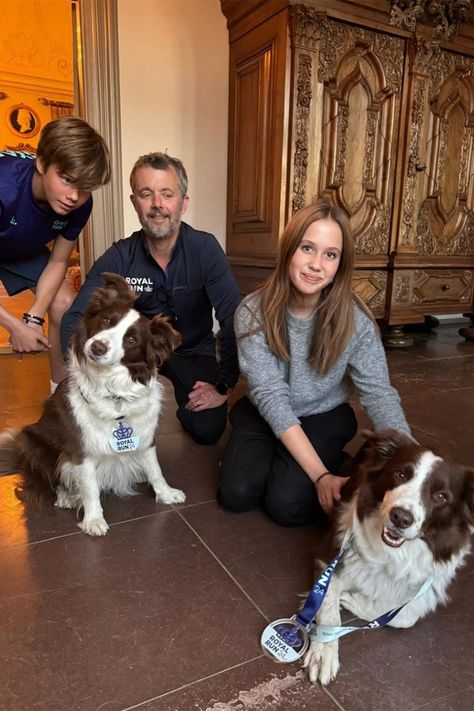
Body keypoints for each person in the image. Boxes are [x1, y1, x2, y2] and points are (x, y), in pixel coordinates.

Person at [218, 199, 411, 527]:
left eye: (330, 254)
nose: (316, 264)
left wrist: (412, 467)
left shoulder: (357, 323)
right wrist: (319, 475)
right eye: (307, 248)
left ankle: (327, 458)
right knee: (237, 493)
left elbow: (379, 394)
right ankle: (292, 457)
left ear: (340, 264)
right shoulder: (251, 312)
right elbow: (271, 398)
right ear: (290, 249)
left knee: (286, 505)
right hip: (266, 411)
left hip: (323, 413)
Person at [61, 151, 241, 445]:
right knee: (106, 431)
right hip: (136, 352)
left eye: (167, 194)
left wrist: (224, 385)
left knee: (207, 429)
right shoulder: (120, 254)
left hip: (194, 350)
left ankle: (182, 407)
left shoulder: (205, 249)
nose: (157, 205)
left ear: (183, 203)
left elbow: (234, 319)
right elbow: (75, 317)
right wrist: (90, 382)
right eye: (146, 194)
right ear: (135, 202)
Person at [0, 115, 111, 392]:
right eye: (67, 180)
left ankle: (60, 397)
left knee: (63, 302)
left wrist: (33, 318)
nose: (75, 196)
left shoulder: (79, 205)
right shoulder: (4, 187)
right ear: (41, 163)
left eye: (84, 188)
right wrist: (15, 326)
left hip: (16, 247)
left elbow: (58, 260)